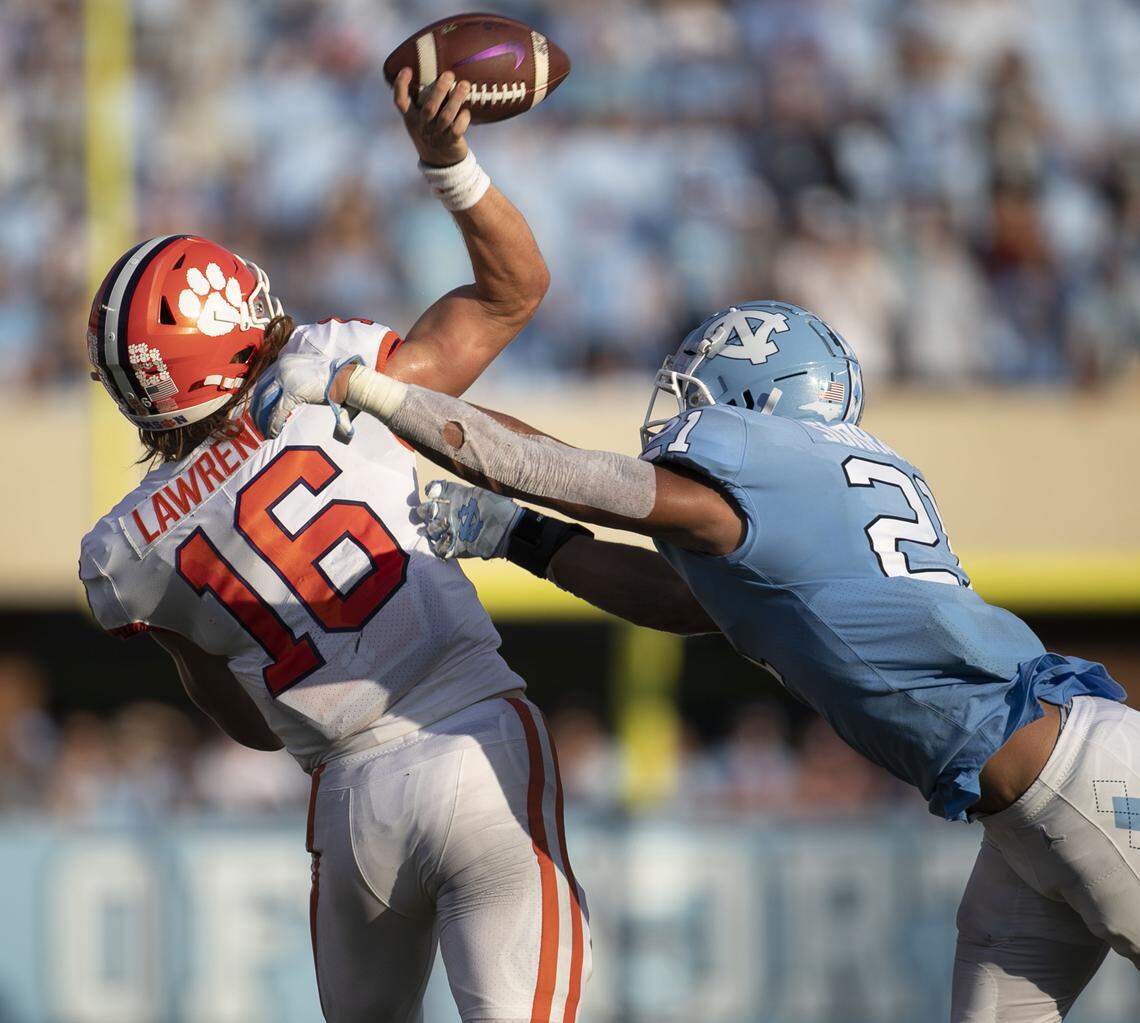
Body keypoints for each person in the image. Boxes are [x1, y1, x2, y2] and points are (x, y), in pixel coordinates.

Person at [254, 299, 1138, 1022]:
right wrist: (520, 534)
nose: (684, 417)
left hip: (1078, 783)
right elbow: (686, 605)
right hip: (1028, 818)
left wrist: (376, 395)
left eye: (704, 395)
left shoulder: (767, 465)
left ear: (759, 404)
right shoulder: (829, 482)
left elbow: (567, 471)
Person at [79, 69, 589, 1023]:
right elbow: (516, 291)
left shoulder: (126, 549)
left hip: (351, 803)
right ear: (233, 316)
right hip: (476, 739)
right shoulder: (329, 373)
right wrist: (450, 165)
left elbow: (241, 718)